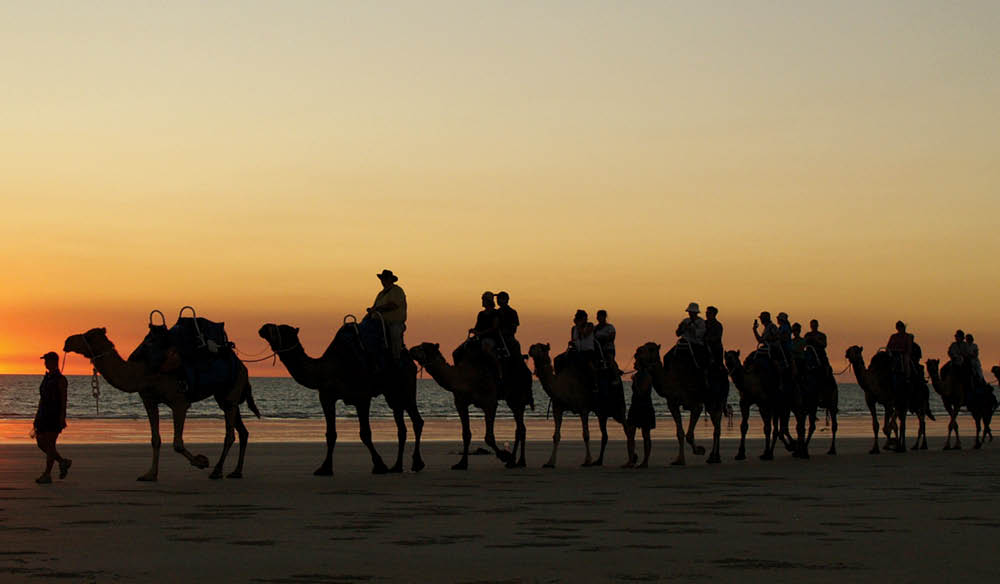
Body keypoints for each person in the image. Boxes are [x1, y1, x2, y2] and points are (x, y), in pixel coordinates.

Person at [33, 352, 70, 484]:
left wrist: (62, 417)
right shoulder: (47, 378)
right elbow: (42, 399)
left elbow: (64, 400)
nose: (45, 363)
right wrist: (37, 416)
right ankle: (62, 462)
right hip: (43, 414)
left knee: (49, 444)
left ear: (54, 362)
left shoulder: (61, 379)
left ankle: (47, 474)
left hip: (53, 415)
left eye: (47, 360)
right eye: (45, 361)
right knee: (41, 442)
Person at [367, 269, 407, 360]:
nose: (383, 281)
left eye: (385, 279)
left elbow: (393, 305)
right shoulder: (380, 294)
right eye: (382, 279)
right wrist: (371, 310)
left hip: (393, 323)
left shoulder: (397, 290)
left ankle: (396, 358)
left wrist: (377, 309)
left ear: (390, 280)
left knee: (394, 333)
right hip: (378, 323)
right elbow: (374, 307)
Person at [623, 369, 654, 469]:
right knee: (630, 433)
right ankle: (631, 460)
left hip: (645, 407)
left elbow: (642, 392)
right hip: (635, 406)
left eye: (636, 361)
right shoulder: (637, 375)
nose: (634, 363)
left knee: (646, 435)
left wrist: (635, 381)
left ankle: (645, 461)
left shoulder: (647, 375)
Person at [495, 291, 520, 357]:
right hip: (496, 336)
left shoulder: (512, 312)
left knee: (515, 345)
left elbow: (514, 328)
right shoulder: (496, 312)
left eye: (500, 298)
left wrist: (505, 332)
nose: (498, 300)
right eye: (498, 299)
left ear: (506, 300)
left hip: (508, 337)